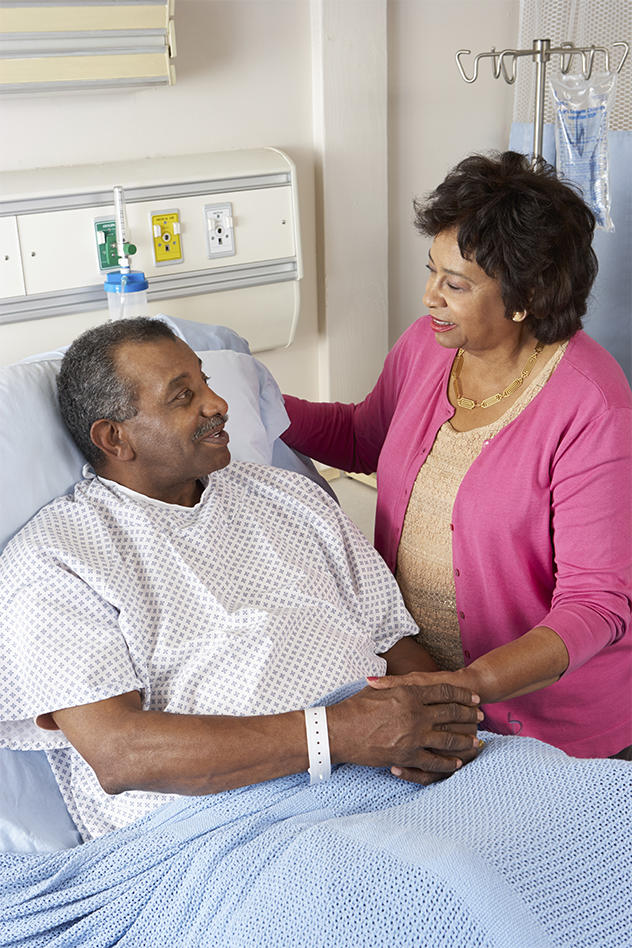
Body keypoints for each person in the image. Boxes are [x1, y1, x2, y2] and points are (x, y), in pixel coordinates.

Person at [0, 317, 484, 842]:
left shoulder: (291, 497)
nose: (217, 404)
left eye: (206, 381)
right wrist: (340, 733)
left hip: (391, 774)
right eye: (184, 396)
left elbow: (396, 644)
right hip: (226, 830)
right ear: (115, 438)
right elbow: (120, 753)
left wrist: (433, 732)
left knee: (575, 816)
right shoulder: (56, 560)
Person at [281, 150, 632, 760]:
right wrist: (251, 402)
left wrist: (466, 688)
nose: (428, 297)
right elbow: (366, 437)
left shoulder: (592, 406)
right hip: (430, 703)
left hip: (554, 730)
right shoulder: (429, 346)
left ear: (525, 298)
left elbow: (597, 605)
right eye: (431, 271)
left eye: (455, 284)